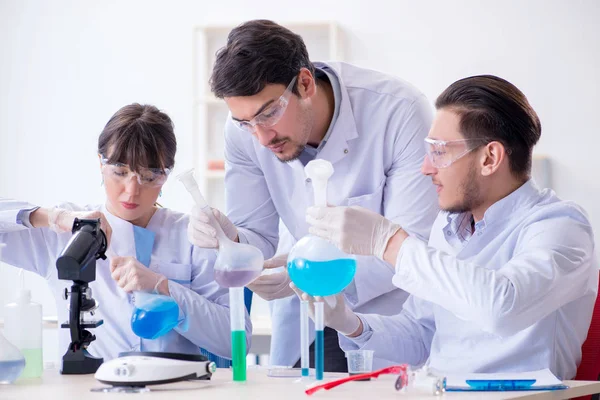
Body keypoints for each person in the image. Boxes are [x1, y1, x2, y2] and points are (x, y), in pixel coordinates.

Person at [291, 75, 597, 379]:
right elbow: (421, 335)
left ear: (489, 158)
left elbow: (503, 307)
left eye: (439, 152)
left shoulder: (560, 226)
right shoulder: (450, 228)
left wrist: (389, 243)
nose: (426, 168)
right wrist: (349, 322)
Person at [187, 19, 439, 371]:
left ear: (305, 83)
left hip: (387, 322)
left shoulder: (399, 111)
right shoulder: (244, 130)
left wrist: (305, 275)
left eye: (269, 113)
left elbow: (411, 247)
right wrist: (231, 240)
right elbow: (256, 237)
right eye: (246, 123)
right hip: (303, 323)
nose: (261, 137)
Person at [0, 103, 251, 362]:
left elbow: (237, 342)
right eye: (120, 172)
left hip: (175, 388)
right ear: (100, 163)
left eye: (150, 176)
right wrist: (53, 216)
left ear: (167, 175)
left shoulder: (190, 235)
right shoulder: (62, 234)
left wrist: (163, 287)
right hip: (89, 388)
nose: (131, 191)